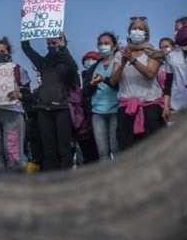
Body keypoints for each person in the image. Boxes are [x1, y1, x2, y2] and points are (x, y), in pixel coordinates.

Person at [21, 14, 79, 170]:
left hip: (62, 110)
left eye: (55, 42)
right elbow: (26, 48)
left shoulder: (66, 63)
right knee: (49, 150)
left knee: (64, 149)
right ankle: (50, 181)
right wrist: (25, 23)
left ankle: (65, 181)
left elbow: (74, 68)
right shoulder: (43, 63)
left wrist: (63, 47)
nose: (52, 45)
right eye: (49, 43)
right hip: (44, 111)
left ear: (61, 43)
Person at [109, 17, 163, 150]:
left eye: (140, 29)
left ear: (146, 34)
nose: (136, 31)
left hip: (149, 109)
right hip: (126, 110)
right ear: (129, 32)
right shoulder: (120, 54)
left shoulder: (153, 53)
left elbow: (150, 74)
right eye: (134, 28)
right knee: (127, 149)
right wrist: (122, 63)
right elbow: (113, 80)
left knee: (151, 149)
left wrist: (132, 60)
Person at [0, 37, 32, 171]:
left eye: (2, 51)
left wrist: (19, 95)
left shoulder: (18, 70)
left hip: (12, 114)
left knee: (13, 155)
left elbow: (28, 94)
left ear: (9, 53)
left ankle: (16, 185)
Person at [82, 33, 120, 162]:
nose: (103, 46)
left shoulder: (119, 63)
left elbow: (120, 85)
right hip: (98, 113)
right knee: (103, 152)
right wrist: (92, 85)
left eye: (106, 43)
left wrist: (104, 79)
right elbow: (85, 91)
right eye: (100, 44)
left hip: (116, 111)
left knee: (117, 149)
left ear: (114, 47)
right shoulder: (94, 67)